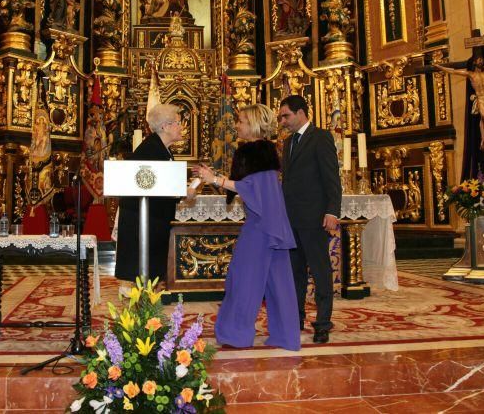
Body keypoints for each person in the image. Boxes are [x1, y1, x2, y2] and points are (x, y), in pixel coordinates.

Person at [195, 104, 300, 351]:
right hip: (274, 226)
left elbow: (254, 190)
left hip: (260, 228)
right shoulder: (265, 151)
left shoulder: (254, 152)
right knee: (279, 285)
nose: (237, 125)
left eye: (241, 121)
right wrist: (218, 179)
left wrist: (216, 180)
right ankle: (286, 336)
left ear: (253, 124)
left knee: (243, 280)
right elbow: (257, 188)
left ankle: (235, 334)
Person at [278, 95, 341, 344]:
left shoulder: (321, 137)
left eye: (286, 116)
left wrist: (332, 211)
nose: (283, 121)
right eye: (281, 117)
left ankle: (323, 323)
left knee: (320, 271)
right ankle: (296, 319)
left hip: (315, 218)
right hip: (292, 219)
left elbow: (331, 178)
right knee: (295, 274)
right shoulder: (287, 142)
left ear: (301, 113)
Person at [114, 103, 195, 293]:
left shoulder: (161, 148)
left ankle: (148, 302)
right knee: (145, 272)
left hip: (153, 219)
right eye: (177, 122)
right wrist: (182, 192)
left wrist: (181, 191)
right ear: (165, 126)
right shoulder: (150, 149)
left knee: (152, 274)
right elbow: (151, 184)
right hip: (142, 221)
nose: (181, 126)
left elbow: (161, 183)